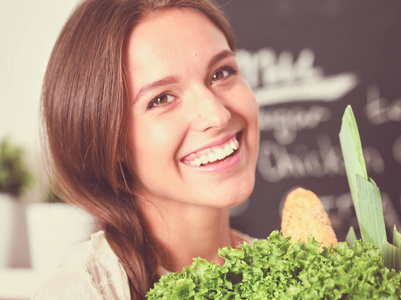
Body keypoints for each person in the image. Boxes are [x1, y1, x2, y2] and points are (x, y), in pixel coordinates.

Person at [33, 0, 260, 299]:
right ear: (109, 141)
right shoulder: (83, 292)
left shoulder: (295, 269)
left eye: (221, 73)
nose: (217, 115)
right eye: (162, 99)